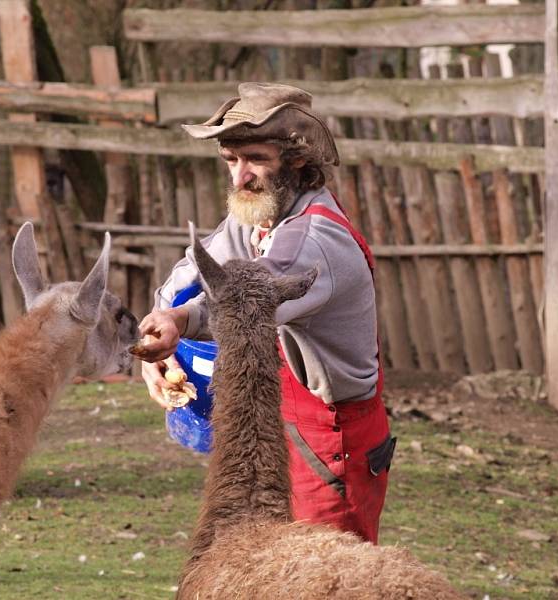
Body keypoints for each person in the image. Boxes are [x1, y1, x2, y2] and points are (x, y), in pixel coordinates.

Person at [137, 82, 395, 544]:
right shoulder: (262, 215)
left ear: (297, 160)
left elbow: (246, 298)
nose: (240, 178)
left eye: (256, 159)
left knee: (326, 582)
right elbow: (195, 269)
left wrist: (180, 323)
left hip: (333, 440)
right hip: (283, 426)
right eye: (231, 161)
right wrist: (163, 318)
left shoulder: (314, 239)